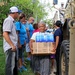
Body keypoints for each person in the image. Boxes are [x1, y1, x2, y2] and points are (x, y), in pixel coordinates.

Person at [3, 6, 20, 75]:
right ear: (15, 13)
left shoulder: (12, 21)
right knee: (10, 66)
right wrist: (12, 45)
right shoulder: (8, 20)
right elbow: (5, 33)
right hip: (10, 47)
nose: (18, 14)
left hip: (13, 47)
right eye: (18, 13)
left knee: (14, 65)